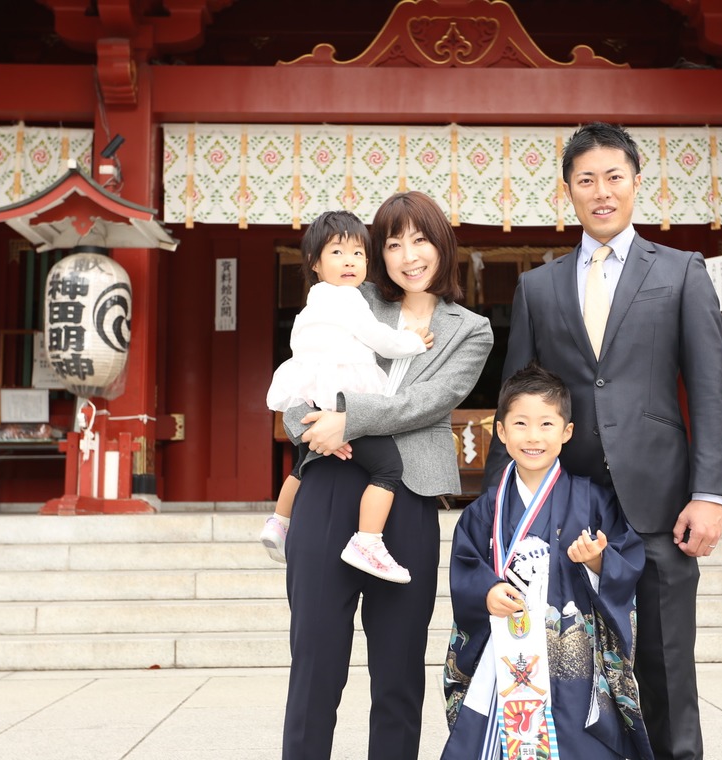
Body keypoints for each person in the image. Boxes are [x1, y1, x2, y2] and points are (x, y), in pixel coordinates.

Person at [483, 122, 722, 760]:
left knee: (666, 665)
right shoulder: (539, 287)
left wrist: (710, 493)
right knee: (571, 667)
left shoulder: (680, 272)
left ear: (636, 184)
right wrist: (495, 511)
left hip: (660, 505)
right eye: (586, 180)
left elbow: (708, 389)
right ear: (568, 191)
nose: (601, 191)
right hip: (567, 509)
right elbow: (518, 399)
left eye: (613, 177)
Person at [279, 190, 493, 760]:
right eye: (393, 242)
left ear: (442, 246)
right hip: (328, 485)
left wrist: (347, 418)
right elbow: (302, 383)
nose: (408, 255)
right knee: (315, 666)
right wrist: (306, 423)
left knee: (398, 672)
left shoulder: (470, 330)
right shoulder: (349, 297)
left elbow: (428, 401)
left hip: (409, 498)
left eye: (420, 239)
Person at [443, 363, 654, 760]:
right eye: (520, 424)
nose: (533, 436)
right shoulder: (484, 510)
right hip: (505, 653)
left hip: (570, 657)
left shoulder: (592, 499)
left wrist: (597, 562)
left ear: (566, 432)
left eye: (546, 424)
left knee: (575, 737)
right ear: (501, 431)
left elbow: (626, 559)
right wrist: (486, 591)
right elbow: (465, 564)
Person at [262, 210, 432, 583]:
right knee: (388, 467)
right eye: (337, 252)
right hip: (344, 394)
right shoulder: (349, 299)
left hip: (314, 393)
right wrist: (414, 341)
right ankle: (367, 541)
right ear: (315, 263)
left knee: (303, 460)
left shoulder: (314, 301)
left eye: (358, 253)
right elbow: (380, 339)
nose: (350, 261)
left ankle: (278, 521)